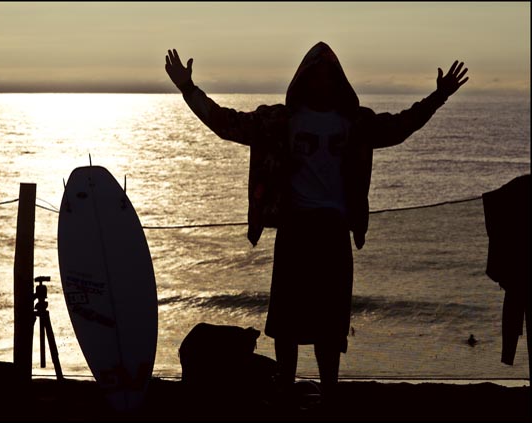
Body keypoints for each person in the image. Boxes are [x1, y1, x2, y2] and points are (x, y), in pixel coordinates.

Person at [165, 42, 468, 405]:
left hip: (333, 229)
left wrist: (439, 96)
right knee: (286, 321)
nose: (321, 82)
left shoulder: (355, 123)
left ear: (338, 82)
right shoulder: (278, 121)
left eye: (328, 76)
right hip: (295, 227)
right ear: (303, 80)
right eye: (315, 75)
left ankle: (330, 395)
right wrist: (187, 88)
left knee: (331, 322)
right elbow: (226, 123)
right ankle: (285, 389)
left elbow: (401, 125)